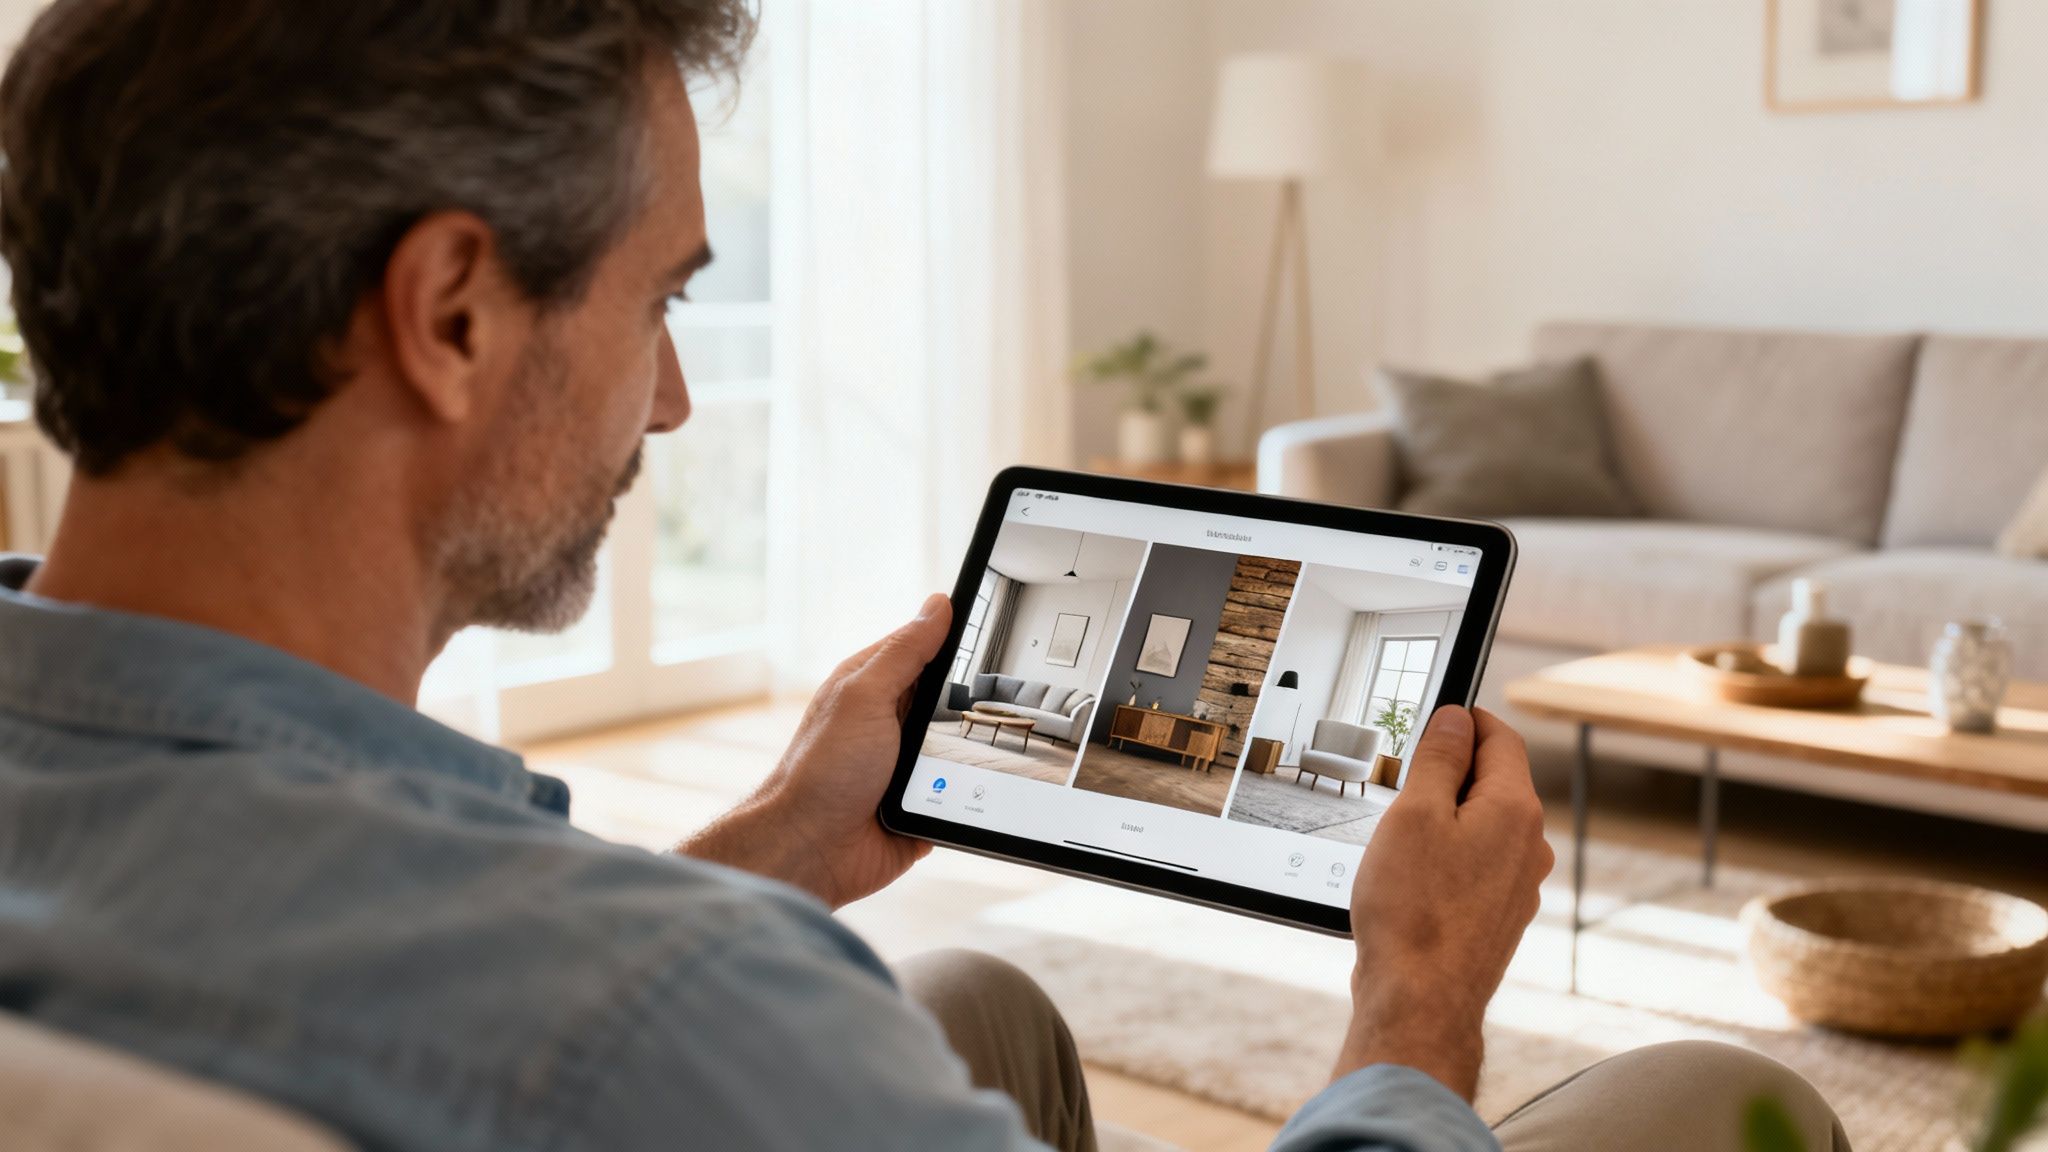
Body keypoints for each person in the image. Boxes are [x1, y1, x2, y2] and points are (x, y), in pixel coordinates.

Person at [0, 2, 1849, 1150]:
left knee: (971, 999)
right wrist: (1414, 1009)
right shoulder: (676, 1027)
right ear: (453, 313)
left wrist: (778, 846)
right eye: (660, 299)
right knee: (1720, 1097)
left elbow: (436, 980)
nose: (673, 397)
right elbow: (590, 1016)